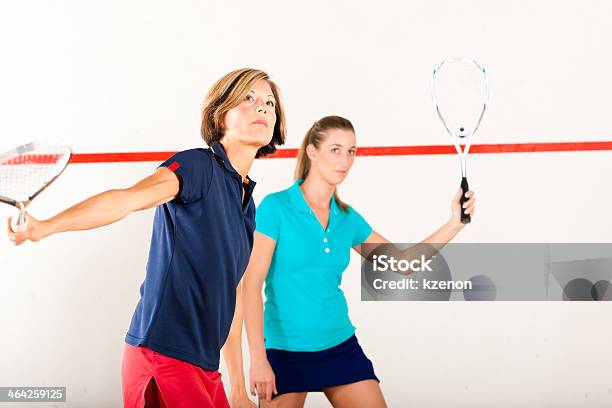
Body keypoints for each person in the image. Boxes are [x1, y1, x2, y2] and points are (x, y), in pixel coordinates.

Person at [7, 68, 287, 408]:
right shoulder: (198, 167)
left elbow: (232, 293)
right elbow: (126, 199)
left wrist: (237, 388)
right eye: (248, 98)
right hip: (162, 356)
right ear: (220, 114)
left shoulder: (247, 203)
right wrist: (47, 226)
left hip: (204, 368)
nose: (262, 108)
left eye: (269, 103)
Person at [243, 115, 476, 408]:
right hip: (285, 350)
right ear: (313, 151)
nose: (345, 160)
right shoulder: (276, 208)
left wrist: (455, 223)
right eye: (336, 149)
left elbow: (403, 265)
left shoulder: (347, 219)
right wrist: (258, 359)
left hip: (338, 344)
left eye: (351, 151)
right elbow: (250, 287)